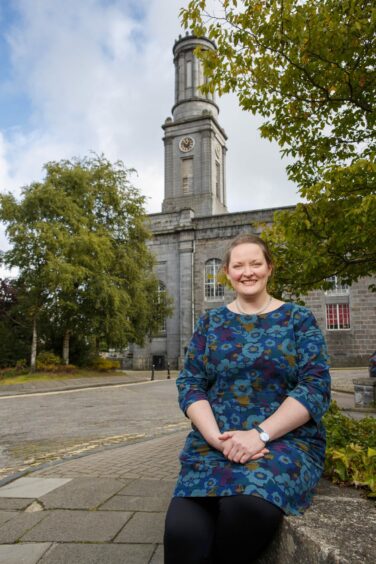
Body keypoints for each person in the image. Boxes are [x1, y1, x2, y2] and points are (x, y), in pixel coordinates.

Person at [164, 233, 331, 564]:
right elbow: (191, 382)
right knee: (181, 534)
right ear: (226, 272)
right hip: (215, 441)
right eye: (238, 265)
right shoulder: (210, 323)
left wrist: (259, 435)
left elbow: (315, 385)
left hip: (282, 442)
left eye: (256, 263)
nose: (248, 271)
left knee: (247, 509)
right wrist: (214, 437)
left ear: (270, 267)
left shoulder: (298, 319)